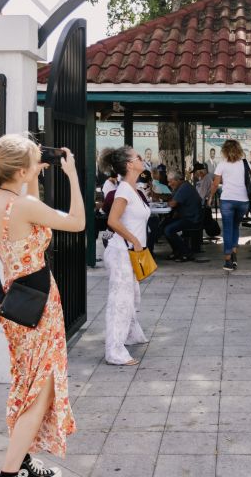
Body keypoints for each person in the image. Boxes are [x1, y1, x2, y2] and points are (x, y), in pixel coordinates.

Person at [0, 134, 84, 477]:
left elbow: (28, 219)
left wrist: (31, 180)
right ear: (22, 170)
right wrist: (71, 176)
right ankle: (10, 472)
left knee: (27, 382)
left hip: (18, 300)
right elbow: (77, 222)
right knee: (40, 390)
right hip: (40, 306)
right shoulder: (22, 205)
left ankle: (23, 462)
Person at [99, 146, 151, 366]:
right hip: (122, 253)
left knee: (132, 297)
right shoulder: (123, 191)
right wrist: (135, 240)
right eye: (138, 157)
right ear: (130, 165)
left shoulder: (132, 188)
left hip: (130, 253)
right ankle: (115, 350)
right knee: (120, 301)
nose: (142, 160)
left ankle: (130, 334)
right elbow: (112, 220)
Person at [208, 139, 248, 271]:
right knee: (235, 227)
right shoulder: (244, 163)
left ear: (224, 151)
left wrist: (210, 198)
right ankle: (234, 254)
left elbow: (215, 184)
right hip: (243, 201)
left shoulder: (222, 164)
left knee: (227, 229)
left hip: (227, 200)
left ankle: (228, 260)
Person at [164, 170, 202, 261]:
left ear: (177, 180)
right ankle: (177, 251)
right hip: (187, 217)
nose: (169, 184)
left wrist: (167, 203)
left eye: (170, 181)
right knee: (163, 226)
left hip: (191, 219)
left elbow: (173, 203)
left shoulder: (184, 187)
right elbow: (171, 199)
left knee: (168, 230)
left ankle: (186, 252)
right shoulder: (182, 186)